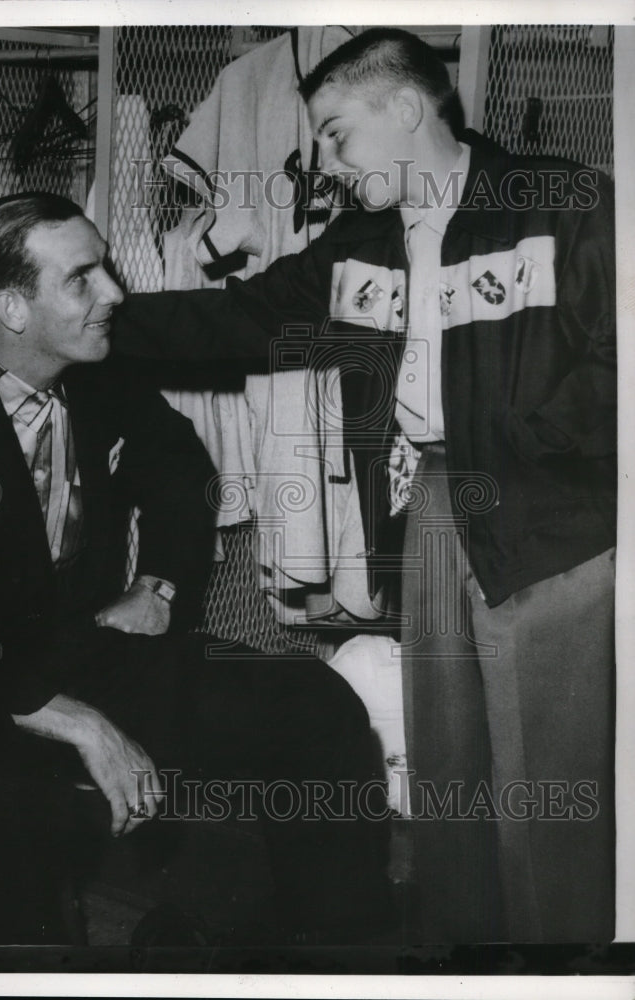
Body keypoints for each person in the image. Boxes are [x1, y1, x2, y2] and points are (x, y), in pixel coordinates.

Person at [112, 28, 617, 943]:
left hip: (552, 517)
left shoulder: (566, 201)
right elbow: (244, 316)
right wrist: (106, 321)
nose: (330, 163)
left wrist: (529, 445)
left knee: (549, 787)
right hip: (429, 504)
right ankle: (456, 957)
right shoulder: (363, 241)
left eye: (339, 133)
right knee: (448, 768)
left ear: (407, 107)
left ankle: (561, 969)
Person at [0, 193, 393, 947]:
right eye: (83, 279)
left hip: (91, 652)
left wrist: (161, 583)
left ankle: (328, 961)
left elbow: (182, 470)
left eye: (105, 266)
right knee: (2, 821)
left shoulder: (100, 370)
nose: (113, 292)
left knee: (313, 703)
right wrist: (81, 724)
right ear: (14, 308)